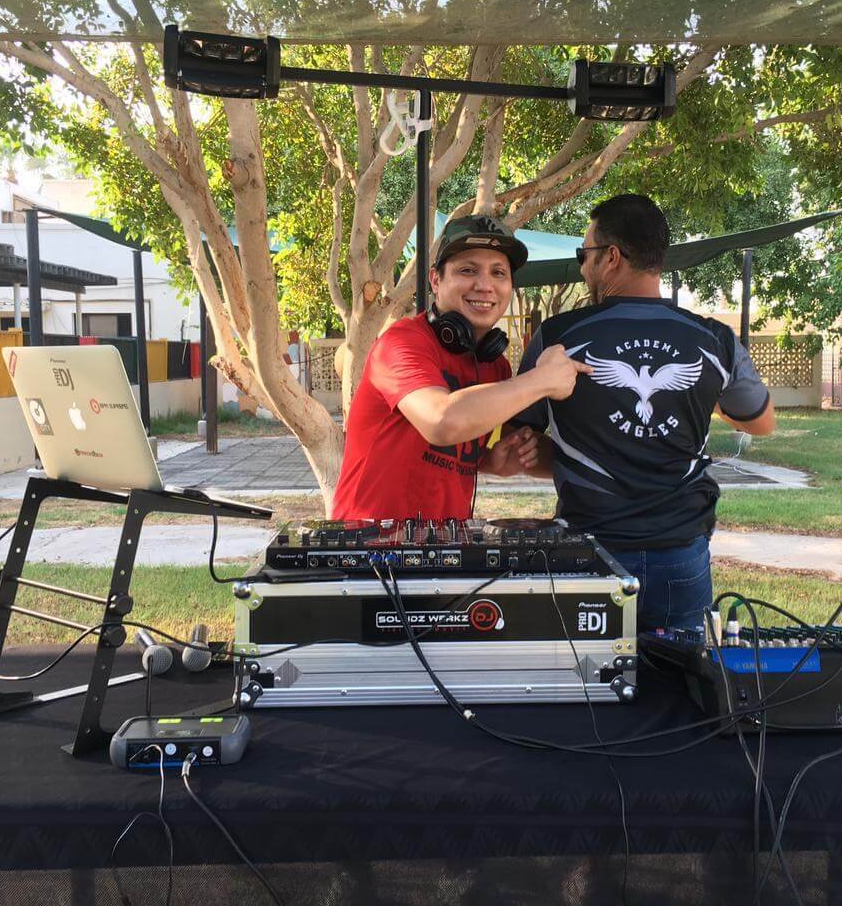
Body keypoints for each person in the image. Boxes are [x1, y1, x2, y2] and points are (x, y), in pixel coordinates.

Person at [512, 194, 775, 631]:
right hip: (680, 553)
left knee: (589, 673)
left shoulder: (557, 338)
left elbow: (519, 446)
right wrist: (710, 399)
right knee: (682, 671)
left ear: (612, 257)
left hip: (588, 552)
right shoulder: (714, 340)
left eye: (584, 255)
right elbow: (762, 422)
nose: (583, 268)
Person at [332, 215, 592, 521]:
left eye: (498, 273)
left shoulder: (494, 365)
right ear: (435, 280)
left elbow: (453, 446)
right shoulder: (401, 343)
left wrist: (491, 461)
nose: (485, 285)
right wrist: (542, 380)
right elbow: (441, 422)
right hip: (369, 543)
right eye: (467, 270)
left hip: (447, 543)